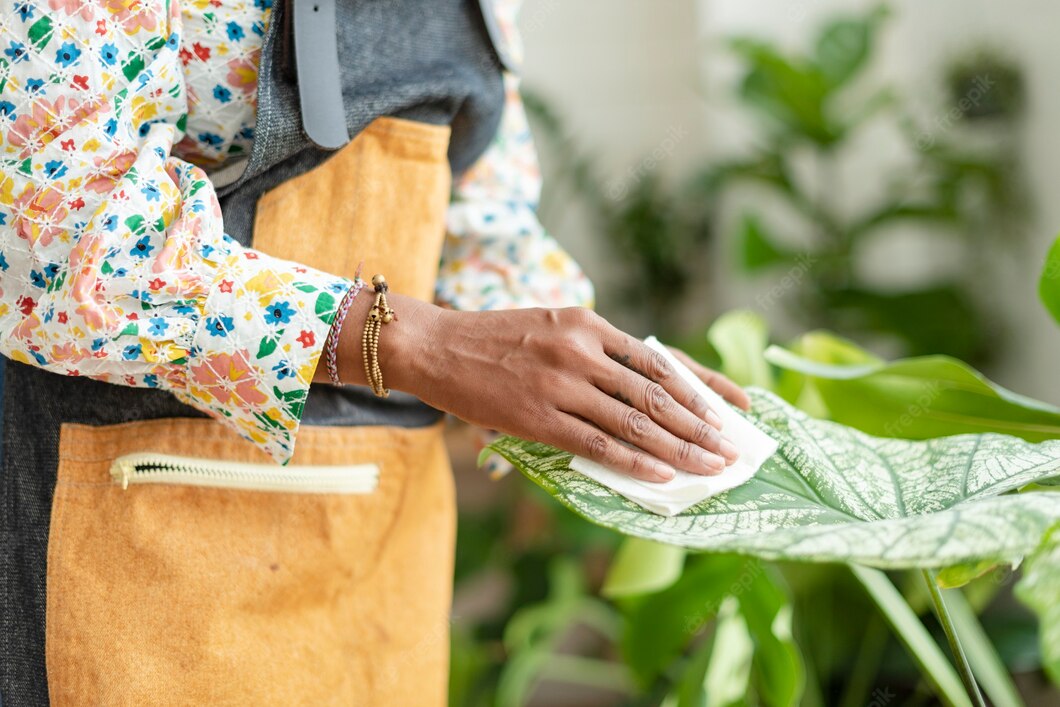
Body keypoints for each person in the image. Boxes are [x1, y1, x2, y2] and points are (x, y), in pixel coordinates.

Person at [0, 0, 749, 703]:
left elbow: (481, 219)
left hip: (380, 549)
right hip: (133, 554)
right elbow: (61, 243)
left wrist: (601, 381)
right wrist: (420, 344)